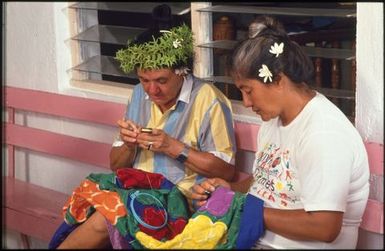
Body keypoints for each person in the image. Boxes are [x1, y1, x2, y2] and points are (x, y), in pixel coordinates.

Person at [51, 4, 236, 249]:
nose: (152, 90)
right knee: (87, 209)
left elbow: (226, 172)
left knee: (104, 218)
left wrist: (173, 147)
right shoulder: (138, 95)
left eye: (161, 80)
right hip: (137, 191)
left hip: (180, 203)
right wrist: (128, 145)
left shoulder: (208, 99)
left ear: (182, 72)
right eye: (144, 80)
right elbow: (116, 165)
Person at [191, 15, 370, 249]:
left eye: (248, 90)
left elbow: (324, 227)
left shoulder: (324, 134)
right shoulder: (274, 120)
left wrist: (239, 206)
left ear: (278, 81)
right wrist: (229, 190)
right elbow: (267, 182)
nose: (245, 102)